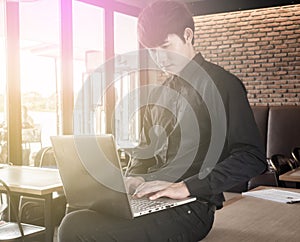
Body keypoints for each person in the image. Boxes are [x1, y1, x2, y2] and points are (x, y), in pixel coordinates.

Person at [58, 0, 267, 241]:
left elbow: (251, 157)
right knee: (76, 215)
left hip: (193, 207)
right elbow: (143, 152)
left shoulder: (224, 85)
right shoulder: (157, 96)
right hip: (152, 198)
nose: (160, 58)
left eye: (165, 46)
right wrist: (134, 177)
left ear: (187, 35)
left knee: (76, 230)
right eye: (152, 51)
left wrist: (185, 187)